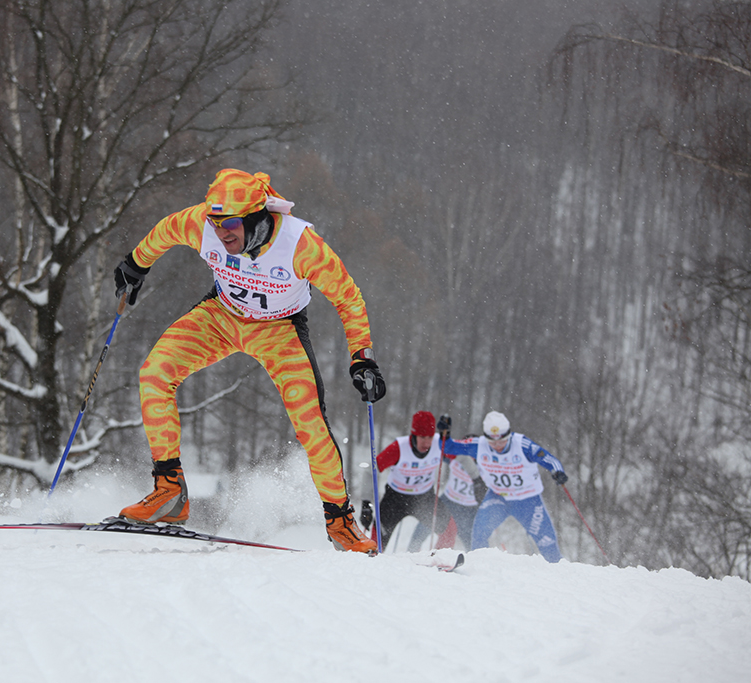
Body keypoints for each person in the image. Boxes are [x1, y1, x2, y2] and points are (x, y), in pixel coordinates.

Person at [113, 168, 385, 553]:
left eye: (233, 225)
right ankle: (170, 492)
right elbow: (164, 231)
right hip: (220, 316)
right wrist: (135, 264)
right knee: (155, 374)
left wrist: (362, 358)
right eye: (217, 223)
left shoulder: (300, 244)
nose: (223, 234)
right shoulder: (202, 225)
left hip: (280, 330)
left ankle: (339, 520)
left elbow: (349, 298)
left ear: (259, 220)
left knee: (310, 422)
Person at [440, 411, 569, 562]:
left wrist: (557, 471)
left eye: (502, 441)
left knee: (546, 540)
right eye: (492, 443)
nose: (497, 446)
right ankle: (479, 565)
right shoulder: (479, 445)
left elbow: (547, 458)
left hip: (528, 500)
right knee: (479, 531)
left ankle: (557, 568)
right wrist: (445, 434)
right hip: (498, 498)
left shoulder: (521, 444)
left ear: (509, 435)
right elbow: (449, 448)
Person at [360, 411, 451, 552]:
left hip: (424, 498)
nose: (427, 442)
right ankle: (373, 561)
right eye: (422, 437)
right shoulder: (399, 448)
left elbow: (460, 453)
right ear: (414, 435)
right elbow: (370, 470)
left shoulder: (441, 443)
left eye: (430, 437)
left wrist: (448, 436)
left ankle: (443, 558)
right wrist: (366, 503)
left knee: (449, 527)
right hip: (395, 499)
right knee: (377, 537)